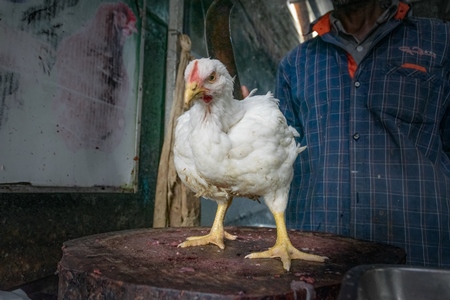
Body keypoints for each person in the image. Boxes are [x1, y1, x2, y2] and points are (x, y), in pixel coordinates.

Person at [275, 0, 450, 267]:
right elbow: (278, 163)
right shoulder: (296, 64)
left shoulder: (440, 41)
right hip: (319, 257)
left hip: (420, 255)